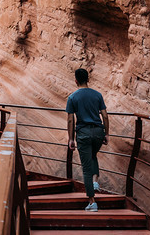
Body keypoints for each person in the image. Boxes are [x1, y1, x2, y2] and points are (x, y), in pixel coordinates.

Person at [66, 68, 109, 211]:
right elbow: (105, 115)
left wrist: (71, 139)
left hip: (83, 133)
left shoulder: (72, 97)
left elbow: (71, 120)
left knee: (86, 168)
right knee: (93, 155)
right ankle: (95, 181)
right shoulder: (97, 95)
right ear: (88, 79)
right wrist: (106, 134)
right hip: (98, 132)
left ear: (76, 80)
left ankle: (92, 202)